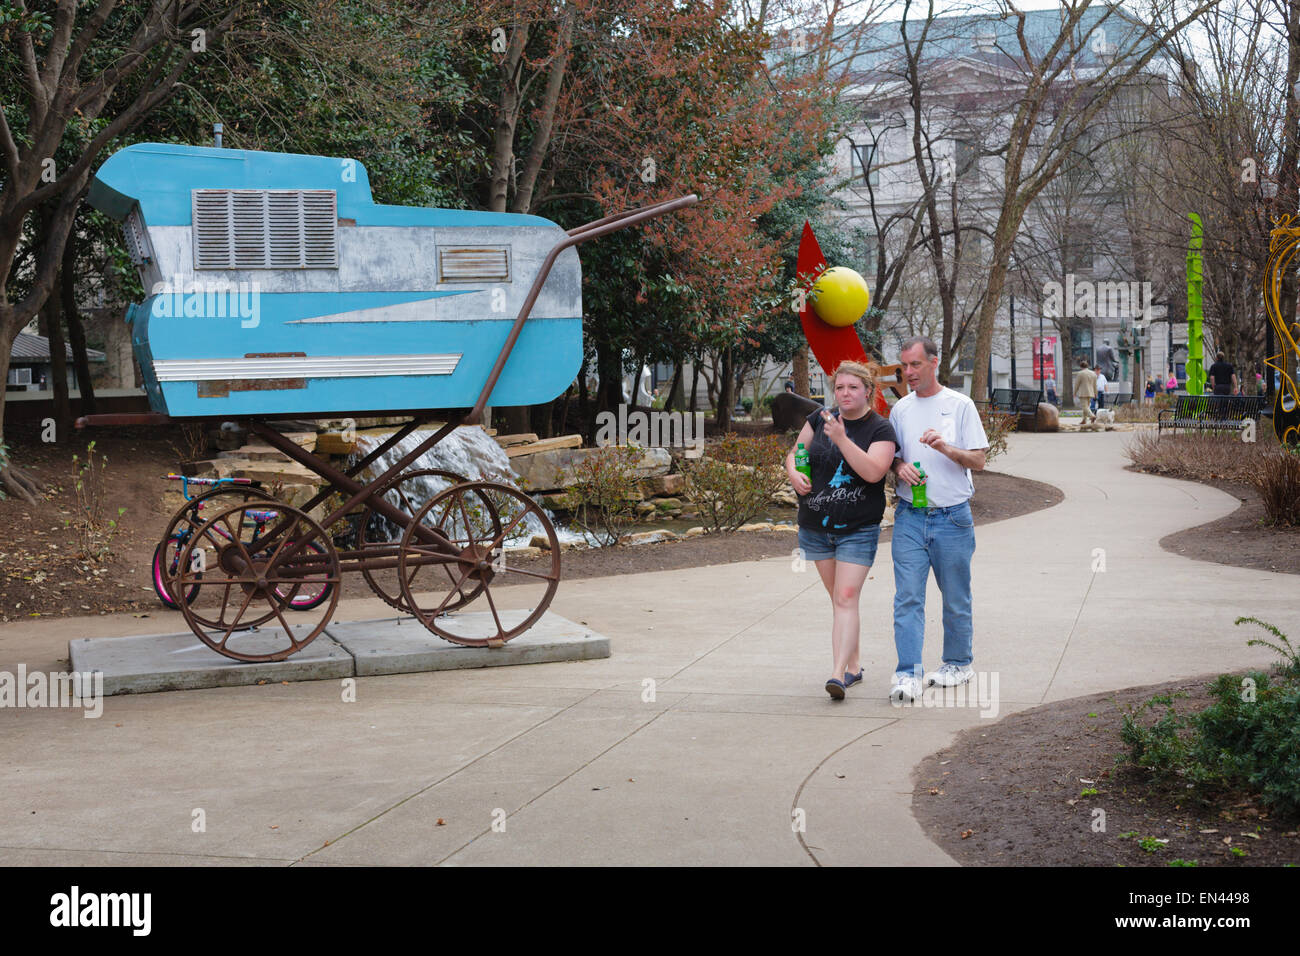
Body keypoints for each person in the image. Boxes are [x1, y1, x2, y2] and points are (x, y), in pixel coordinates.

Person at [786, 360, 899, 701]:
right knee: (839, 600)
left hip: (857, 527)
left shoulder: (880, 430)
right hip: (816, 525)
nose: (845, 393)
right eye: (839, 387)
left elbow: (874, 472)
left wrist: (841, 438)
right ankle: (853, 665)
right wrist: (792, 472)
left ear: (868, 391)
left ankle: (837, 675)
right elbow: (795, 453)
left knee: (846, 597)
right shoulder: (817, 419)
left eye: (853, 387)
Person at [887, 338, 989, 703]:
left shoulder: (960, 405)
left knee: (956, 597)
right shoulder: (900, 409)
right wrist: (899, 468)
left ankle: (959, 664)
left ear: (934, 363)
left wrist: (944, 447)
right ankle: (907, 674)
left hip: (953, 518)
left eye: (915, 365)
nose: (909, 373)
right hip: (910, 517)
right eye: (904, 366)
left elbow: (978, 461)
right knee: (907, 597)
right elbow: (891, 457)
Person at [1074, 358, 1099, 424]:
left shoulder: (1080, 373)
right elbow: (1095, 385)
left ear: (1081, 366)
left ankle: (1092, 416)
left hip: (1083, 392)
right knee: (1086, 406)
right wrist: (1096, 394)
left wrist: (1074, 393)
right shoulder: (1093, 374)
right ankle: (1084, 420)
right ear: (1087, 366)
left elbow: (1077, 384)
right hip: (1091, 392)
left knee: (1085, 407)